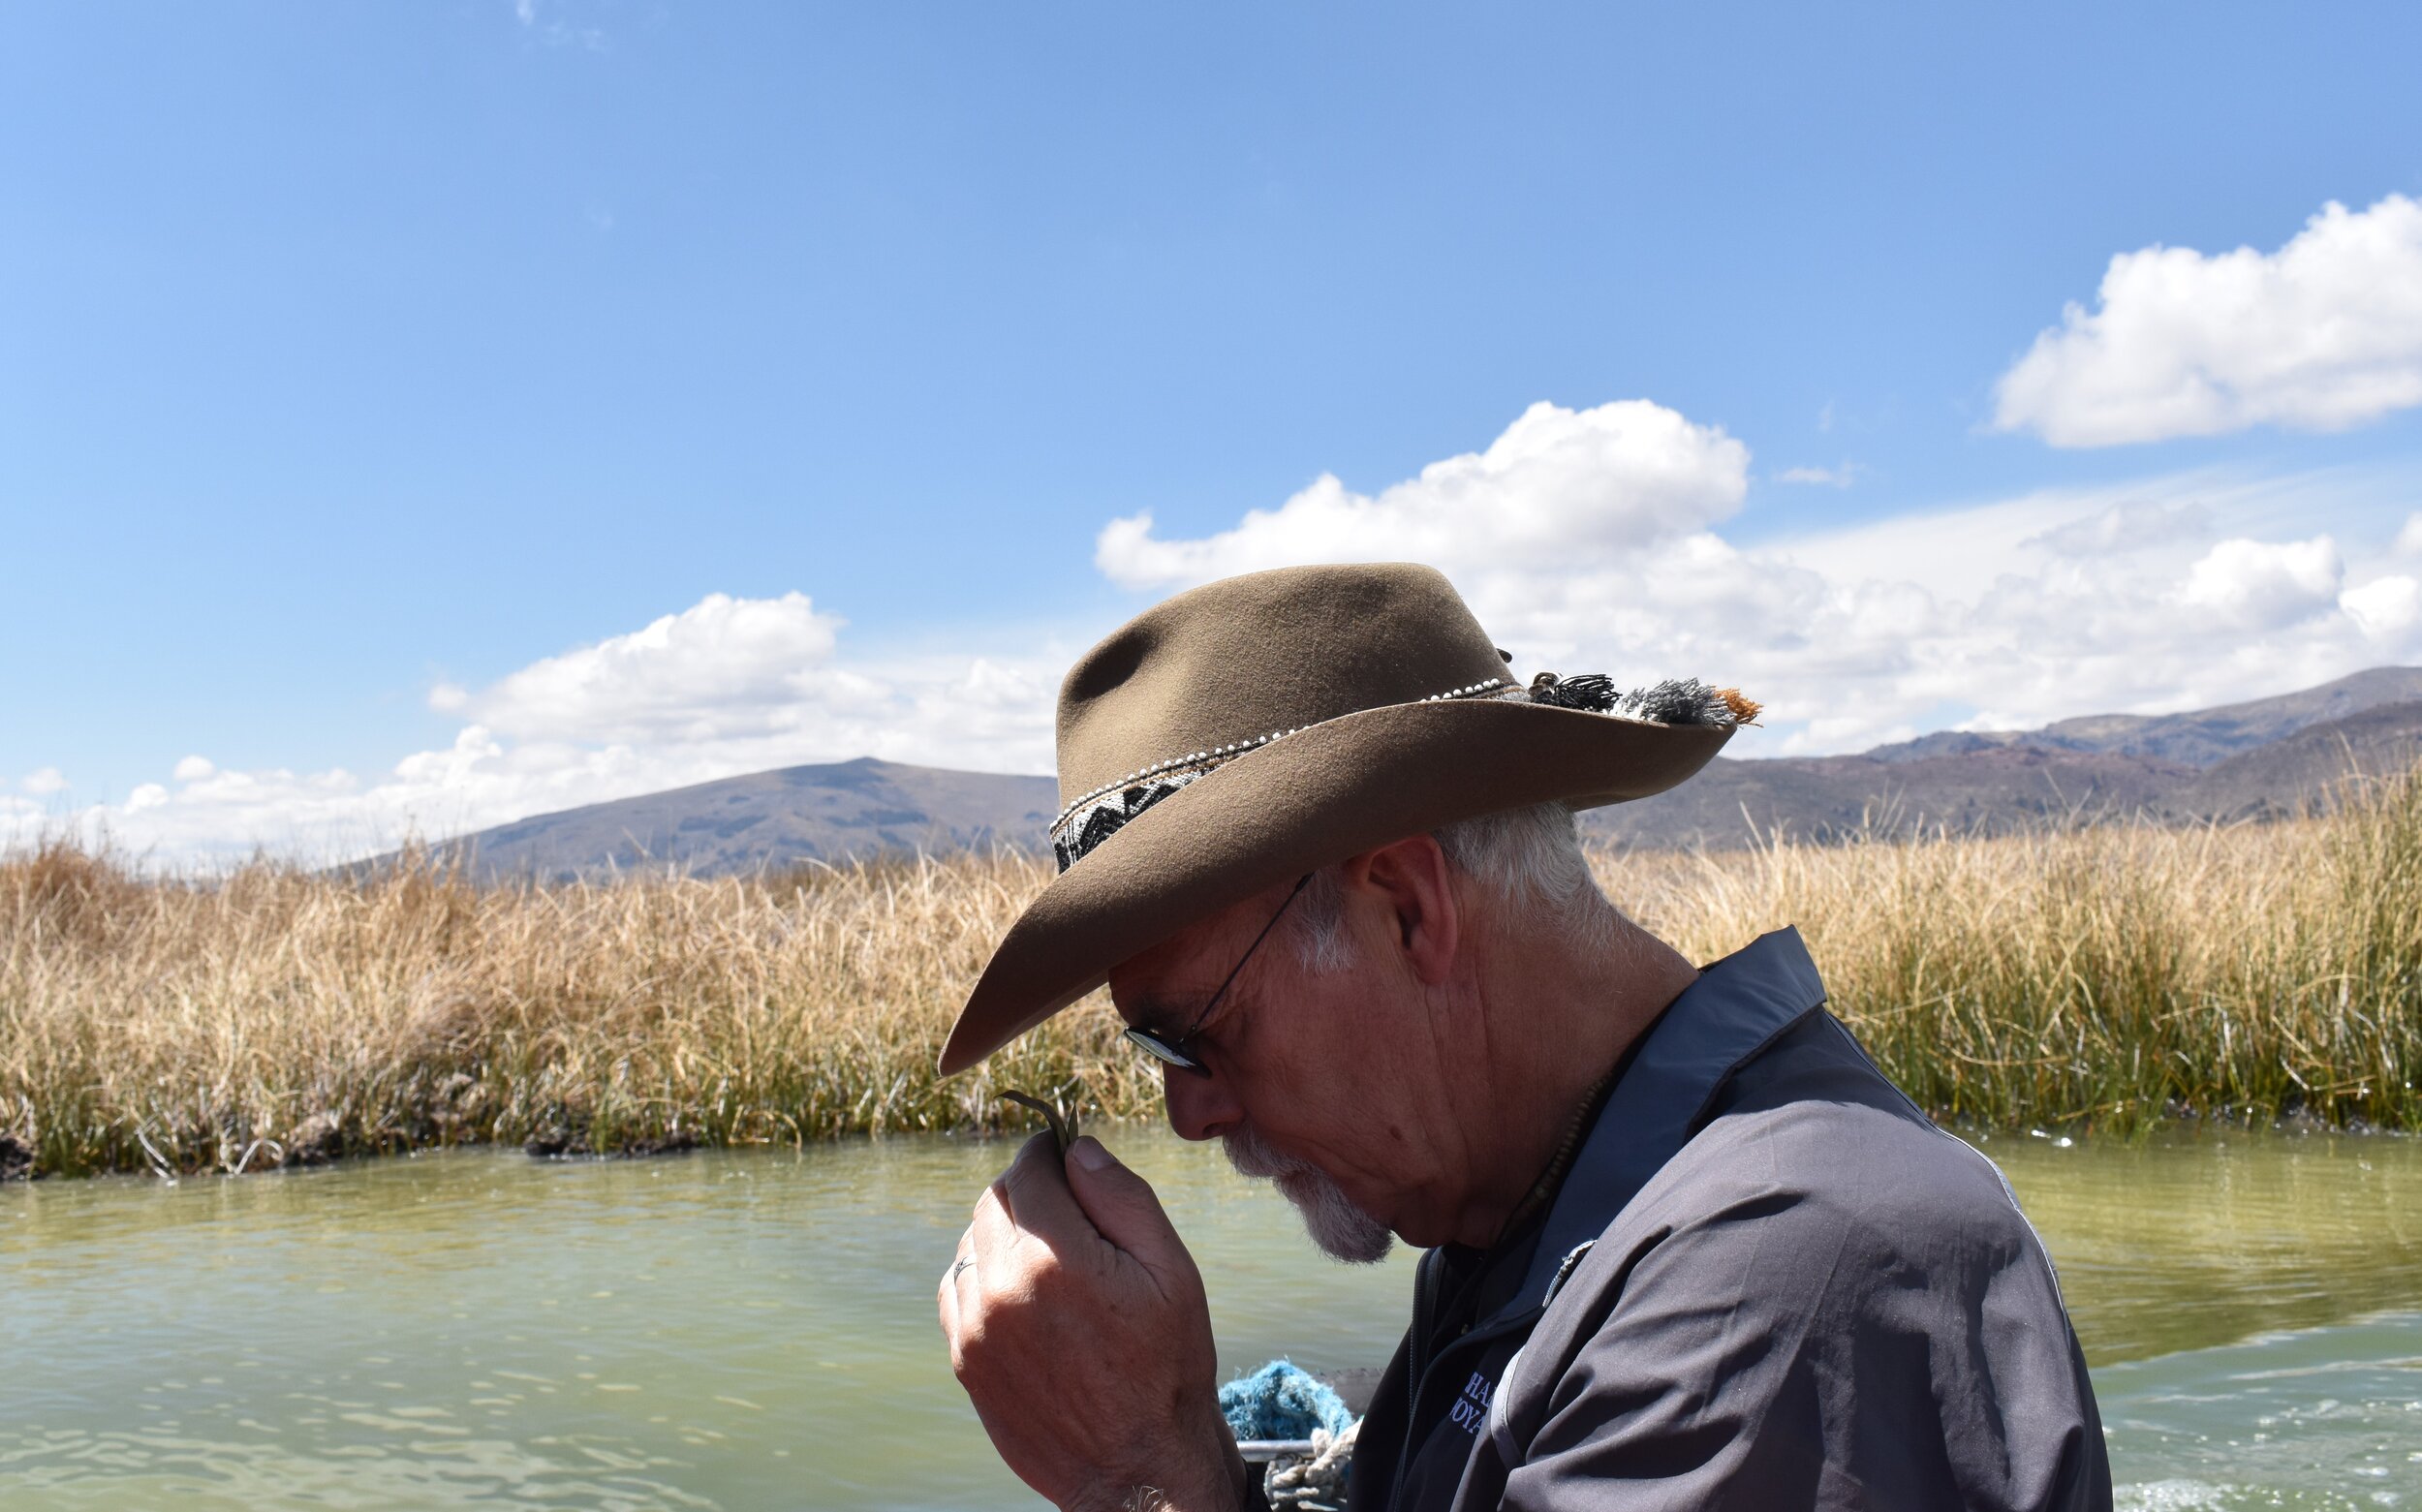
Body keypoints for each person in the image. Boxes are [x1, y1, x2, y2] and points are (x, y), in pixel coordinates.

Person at [936, 563, 2111, 1512]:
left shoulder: (1779, 1276)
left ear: (1408, 907)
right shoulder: (1528, 1217)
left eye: (1200, 1034)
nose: (1192, 1114)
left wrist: (1139, 1475)